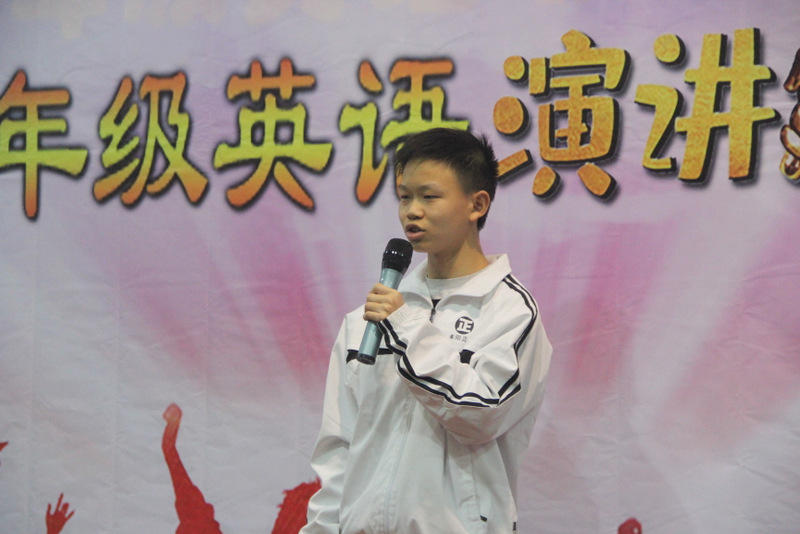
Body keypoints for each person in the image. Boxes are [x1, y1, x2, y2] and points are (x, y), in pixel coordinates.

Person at [301, 127, 552, 534]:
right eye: (404, 197)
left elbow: (481, 415)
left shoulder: (510, 312)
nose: (411, 211)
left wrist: (406, 328)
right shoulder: (367, 317)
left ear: (477, 204)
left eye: (429, 197)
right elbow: (339, 444)